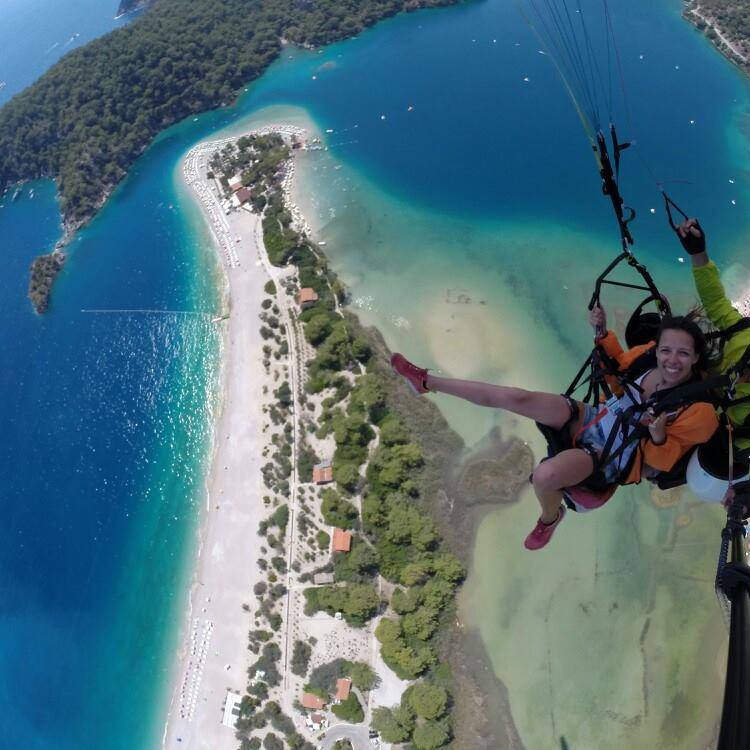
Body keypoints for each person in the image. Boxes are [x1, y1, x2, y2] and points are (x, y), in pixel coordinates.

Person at [391, 310, 719, 551]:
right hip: (593, 416)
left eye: (683, 353)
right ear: (656, 348)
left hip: (610, 458)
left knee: (545, 476)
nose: (672, 360)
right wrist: (602, 332)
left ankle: (550, 518)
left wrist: (659, 435)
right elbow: (618, 367)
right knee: (516, 396)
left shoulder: (698, 411)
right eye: (666, 350)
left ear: (695, 358)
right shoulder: (647, 360)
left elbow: (662, 463)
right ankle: (425, 381)